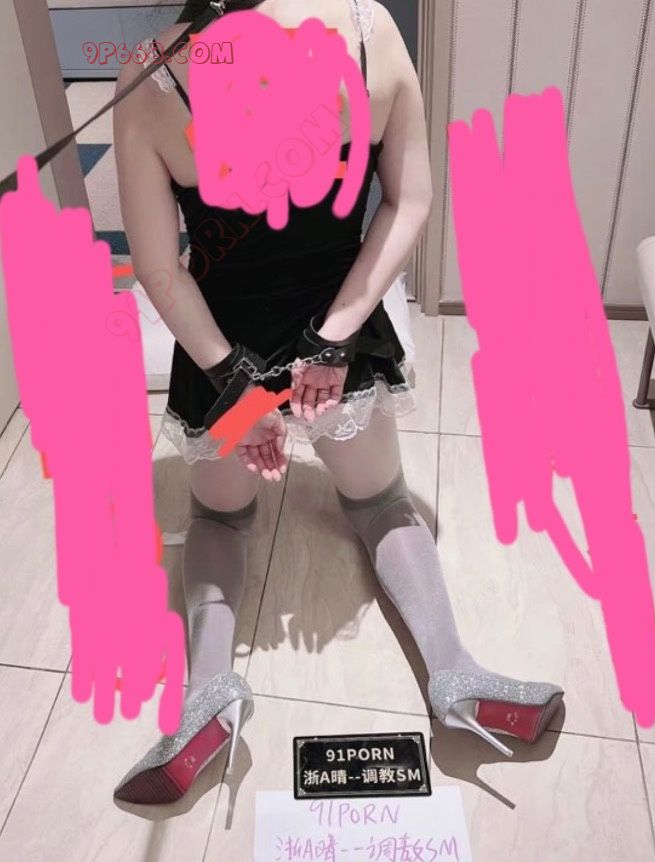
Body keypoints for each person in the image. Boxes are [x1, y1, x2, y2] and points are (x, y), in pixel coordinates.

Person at [112, 0, 563, 805]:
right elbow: (410, 199)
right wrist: (331, 338)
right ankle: (455, 672)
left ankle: (208, 691)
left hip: (223, 349)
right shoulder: (366, 29)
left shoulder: (151, 75)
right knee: (384, 504)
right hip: (338, 342)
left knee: (219, 519)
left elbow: (159, 269)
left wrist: (236, 382)